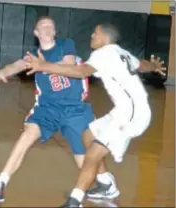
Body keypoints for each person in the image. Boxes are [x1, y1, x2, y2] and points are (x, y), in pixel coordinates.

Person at [0, 17, 119, 203]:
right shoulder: (33, 57)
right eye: (42, 26)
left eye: (51, 26)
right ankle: (0, 186)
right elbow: (17, 65)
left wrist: (43, 66)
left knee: (86, 164)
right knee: (27, 135)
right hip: (47, 109)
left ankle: (105, 182)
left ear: (55, 32)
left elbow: (69, 66)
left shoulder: (65, 45)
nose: (47, 28)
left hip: (74, 109)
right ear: (36, 33)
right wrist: (2, 72)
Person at [24, 23, 166, 207]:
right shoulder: (120, 52)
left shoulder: (103, 53)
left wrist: (45, 66)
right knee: (88, 134)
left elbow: (81, 72)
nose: (92, 35)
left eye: (96, 33)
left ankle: (74, 201)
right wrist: (154, 65)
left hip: (132, 114)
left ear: (105, 38)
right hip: (124, 110)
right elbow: (141, 65)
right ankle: (106, 184)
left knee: (93, 154)